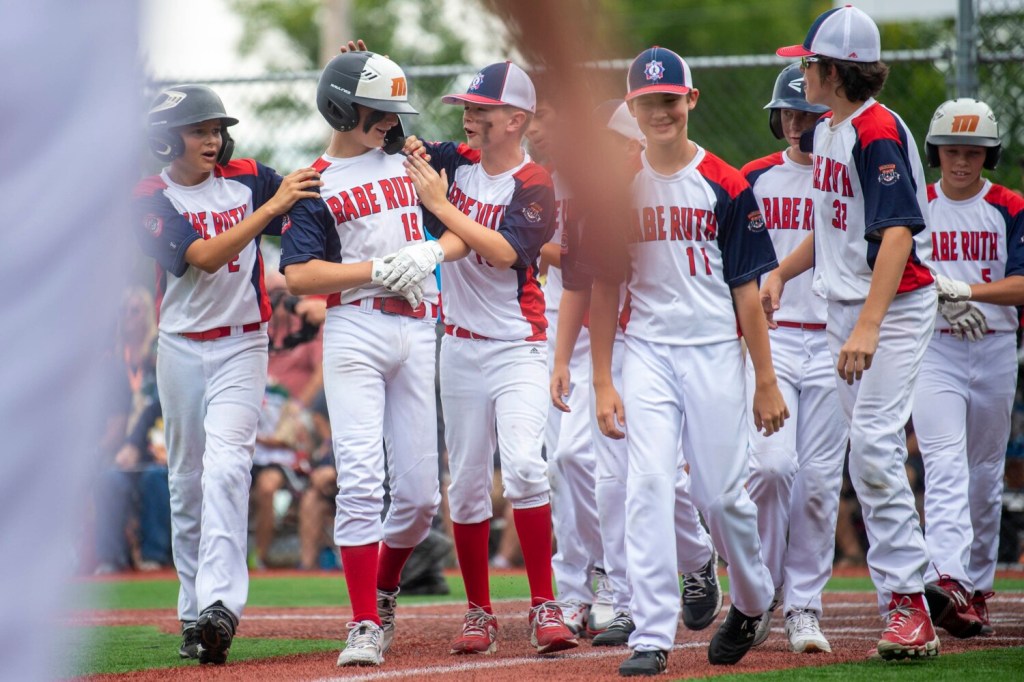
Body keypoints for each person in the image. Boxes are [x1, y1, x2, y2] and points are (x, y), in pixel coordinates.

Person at [589, 47, 784, 676]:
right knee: (646, 484)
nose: (661, 110)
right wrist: (601, 381)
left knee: (721, 496)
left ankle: (752, 600)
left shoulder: (727, 184)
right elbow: (602, 289)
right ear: (632, 108)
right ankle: (652, 632)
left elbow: (746, 294)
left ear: (690, 101)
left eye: (670, 99)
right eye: (648, 102)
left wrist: (765, 379)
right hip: (646, 350)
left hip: (714, 352)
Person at [281, 50, 465, 667]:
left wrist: (431, 254)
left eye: (393, 112)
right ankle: (362, 622)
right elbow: (302, 274)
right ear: (340, 107)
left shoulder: (410, 157)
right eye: (378, 110)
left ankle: (385, 590)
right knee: (359, 481)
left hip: (419, 331)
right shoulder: (314, 182)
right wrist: (379, 269)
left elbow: (464, 226)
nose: (390, 121)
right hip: (356, 328)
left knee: (418, 501)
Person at [769, 4, 939, 660]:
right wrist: (782, 271)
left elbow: (897, 232)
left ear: (835, 72)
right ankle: (907, 597)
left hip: (891, 310)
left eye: (810, 63)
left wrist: (868, 323)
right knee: (867, 461)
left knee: (871, 449)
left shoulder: (875, 133)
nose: (803, 72)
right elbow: (836, 224)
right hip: (848, 309)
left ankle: (910, 606)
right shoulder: (835, 128)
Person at [134, 84, 321, 664]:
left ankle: (221, 607)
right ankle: (193, 614)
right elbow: (204, 257)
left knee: (226, 467)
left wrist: (343, 90)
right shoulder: (148, 196)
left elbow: (312, 184)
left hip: (243, 344)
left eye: (216, 128)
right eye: (198, 130)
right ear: (168, 140)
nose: (212, 139)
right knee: (186, 481)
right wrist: (269, 210)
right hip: (182, 350)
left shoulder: (246, 174)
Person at [402, 60, 579, 656]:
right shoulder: (456, 161)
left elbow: (506, 252)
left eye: (482, 109)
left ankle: (543, 604)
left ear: (516, 120)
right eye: (468, 108)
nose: (469, 117)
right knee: (471, 485)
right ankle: (478, 612)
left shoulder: (535, 183)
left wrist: (444, 211)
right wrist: (375, 75)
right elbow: (404, 143)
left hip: (518, 346)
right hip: (459, 346)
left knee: (527, 466)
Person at [552, 99, 723, 649]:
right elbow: (581, 284)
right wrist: (563, 360)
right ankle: (627, 600)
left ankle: (696, 559)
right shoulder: (599, 204)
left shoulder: (676, 189)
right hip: (610, 349)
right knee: (608, 479)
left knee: (658, 480)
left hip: (660, 346)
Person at [740, 64, 848, 654]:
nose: (794, 123)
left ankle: (803, 605)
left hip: (832, 338)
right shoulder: (755, 177)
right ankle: (758, 592)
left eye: (804, 113)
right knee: (771, 468)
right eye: (786, 112)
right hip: (774, 340)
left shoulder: (843, 177)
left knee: (817, 483)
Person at [916, 97, 1024, 638]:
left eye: (975, 152)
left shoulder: (1009, 205)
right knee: (944, 463)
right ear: (936, 152)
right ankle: (948, 577)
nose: (962, 161)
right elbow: (894, 266)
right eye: (953, 151)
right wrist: (939, 294)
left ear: (990, 155)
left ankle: (977, 587)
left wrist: (968, 288)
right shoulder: (918, 202)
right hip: (933, 348)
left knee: (983, 476)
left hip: (995, 347)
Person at [526, 79, 605, 637]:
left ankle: (608, 578)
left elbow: (586, 256)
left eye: (541, 113)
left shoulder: (590, 174)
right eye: (524, 115)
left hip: (605, 334)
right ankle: (575, 587)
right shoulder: (523, 178)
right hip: (547, 332)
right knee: (562, 463)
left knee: (589, 463)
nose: (531, 125)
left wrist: (520, 238)